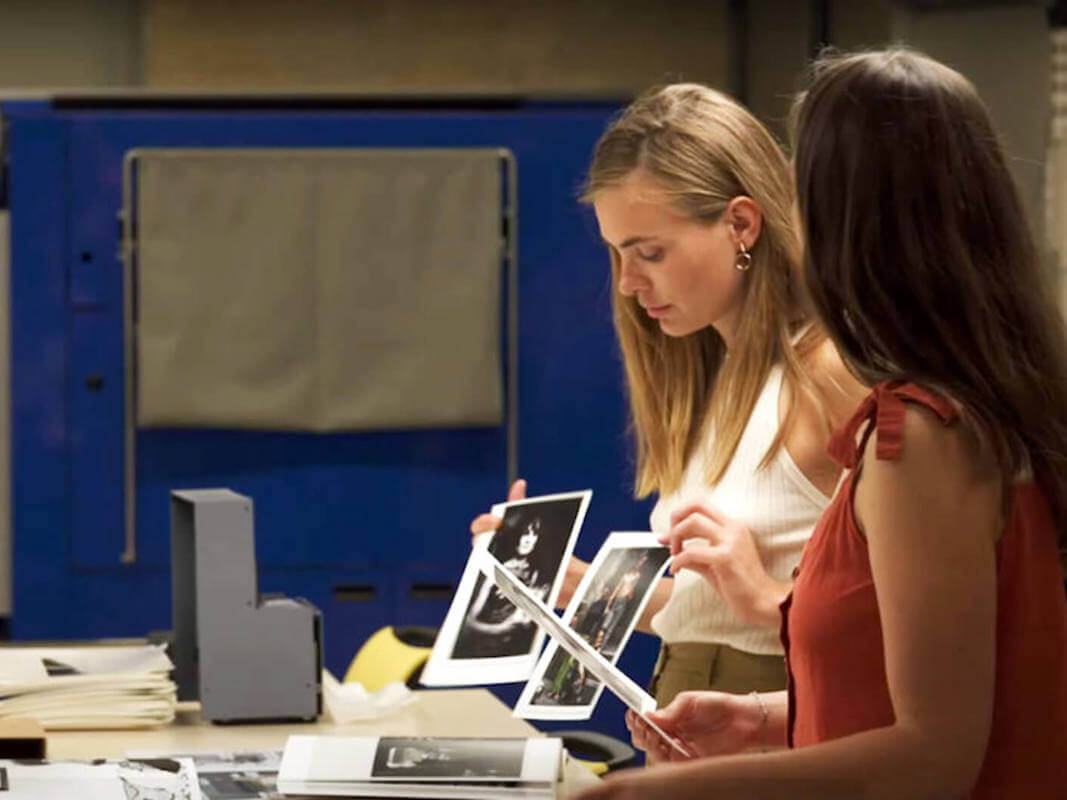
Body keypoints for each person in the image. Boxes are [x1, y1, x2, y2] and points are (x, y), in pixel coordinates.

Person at [585, 48, 1067, 799]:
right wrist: (759, 718)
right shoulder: (947, 410)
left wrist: (641, 791)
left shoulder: (916, 430)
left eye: (802, 195)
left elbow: (934, 752)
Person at [472, 83, 864, 704]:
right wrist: (566, 584)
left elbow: (917, 618)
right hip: (694, 714)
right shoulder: (715, 375)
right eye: (617, 255)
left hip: (787, 725)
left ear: (740, 224)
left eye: (650, 253)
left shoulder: (830, 375)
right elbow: (706, 614)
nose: (628, 283)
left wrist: (771, 601)